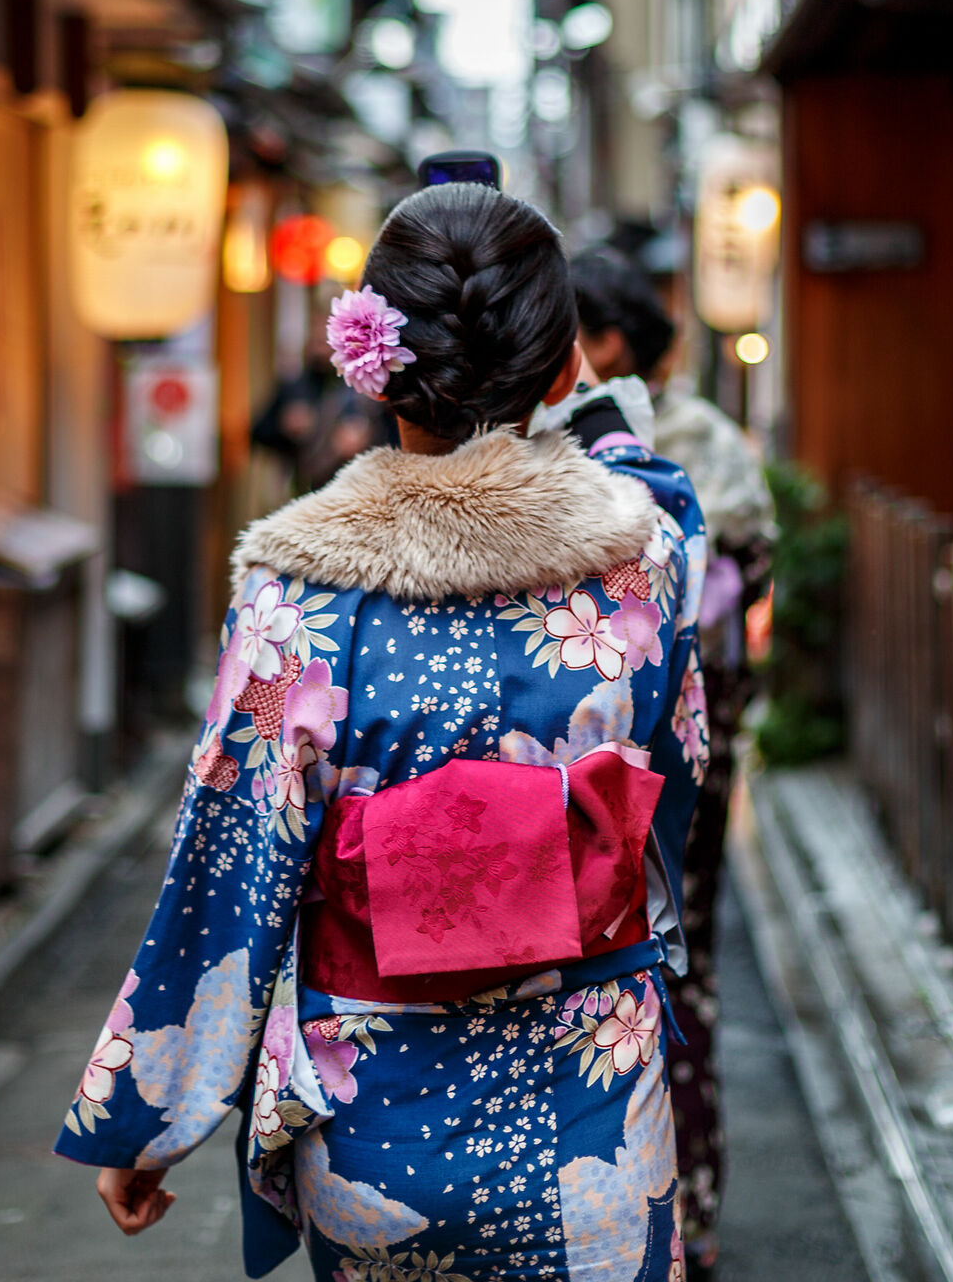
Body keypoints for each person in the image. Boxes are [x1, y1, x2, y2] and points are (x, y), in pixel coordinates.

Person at [56, 183, 712, 1282]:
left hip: (376, 1122)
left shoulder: (296, 599)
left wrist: (147, 1120)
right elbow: (675, 778)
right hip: (591, 1097)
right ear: (564, 370)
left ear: (372, 367)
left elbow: (230, 865)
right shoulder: (641, 562)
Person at [568, 247, 773, 1280]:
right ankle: (691, 1205)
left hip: (625, 754)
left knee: (620, 964)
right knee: (684, 971)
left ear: (600, 344)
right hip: (697, 735)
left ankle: (644, 1205)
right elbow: (757, 579)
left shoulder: (608, 441)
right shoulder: (711, 440)